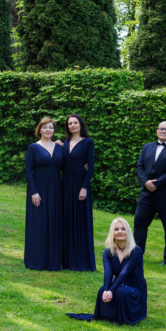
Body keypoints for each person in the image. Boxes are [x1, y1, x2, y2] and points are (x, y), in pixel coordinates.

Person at [67, 218, 147, 325]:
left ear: (127, 231)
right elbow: (108, 272)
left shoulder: (136, 251)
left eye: (123, 229)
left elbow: (124, 273)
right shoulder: (108, 251)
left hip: (134, 285)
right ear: (112, 233)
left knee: (121, 293)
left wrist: (111, 290)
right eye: (116, 229)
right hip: (119, 282)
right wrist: (106, 289)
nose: (120, 232)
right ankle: (108, 316)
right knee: (101, 291)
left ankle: (124, 317)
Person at [133, 121, 166, 265]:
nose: (164, 131)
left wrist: (157, 183)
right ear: (157, 131)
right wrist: (145, 182)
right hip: (147, 193)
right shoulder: (147, 147)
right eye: (161, 129)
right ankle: (137, 256)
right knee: (139, 223)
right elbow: (140, 166)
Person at [24, 117, 63, 271]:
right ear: (39, 130)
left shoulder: (60, 147)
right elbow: (28, 170)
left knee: (54, 222)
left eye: (51, 128)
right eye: (45, 127)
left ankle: (52, 261)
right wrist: (34, 191)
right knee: (38, 223)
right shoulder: (33, 148)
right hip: (38, 188)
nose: (48, 130)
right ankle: (36, 260)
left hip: (55, 188)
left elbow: (68, 164)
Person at [61, 113, 96, 271]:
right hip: (66, 183)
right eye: (70, 124)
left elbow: (91, 166)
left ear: (81, 124)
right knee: (66, 218)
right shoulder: (65, 142)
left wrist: (84, 187)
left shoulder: (88, 142)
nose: (72, 126)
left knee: (80, 220)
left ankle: (81, 260)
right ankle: (67, 260)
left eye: (75, 123)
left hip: (80, 184)